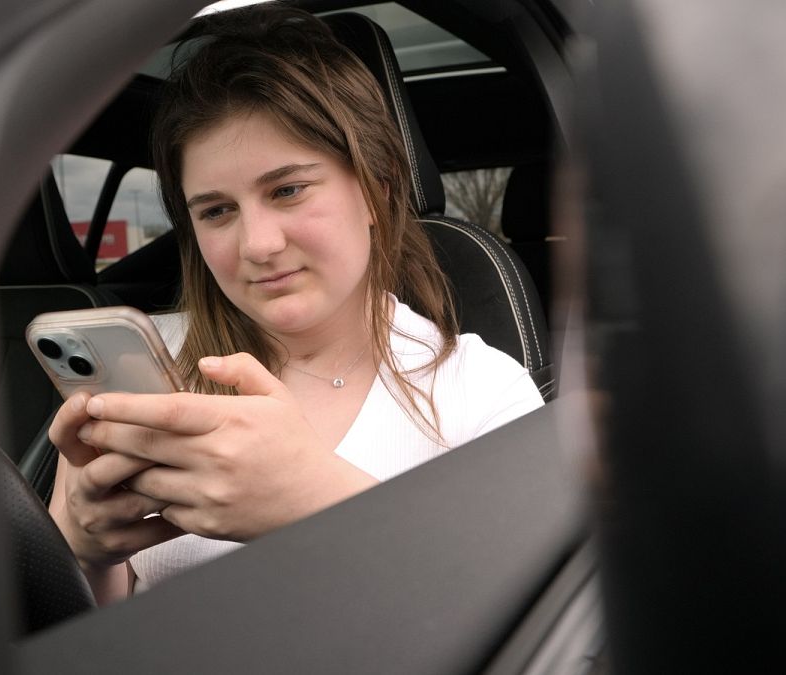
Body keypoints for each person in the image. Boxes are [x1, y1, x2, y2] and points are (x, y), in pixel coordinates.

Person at [46, 5, 543, 604]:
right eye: (216, 210)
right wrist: (81, 553)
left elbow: (533, 617)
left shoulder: (482, 390)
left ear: (376, 190)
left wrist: (318, 501)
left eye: (287, 190)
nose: (257, 244)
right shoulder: (150, 373)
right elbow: (93, 639)